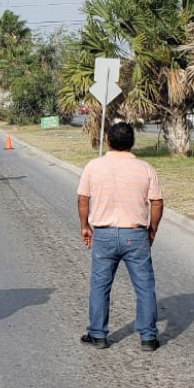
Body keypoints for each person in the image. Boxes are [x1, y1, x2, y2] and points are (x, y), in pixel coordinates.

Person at [77, 122, 164, 352]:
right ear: (132, 142)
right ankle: (147, 337)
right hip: (135, 234)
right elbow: (156, 202)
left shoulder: (93, 166)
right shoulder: (145, 168)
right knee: (144, 287)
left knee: (100, 285)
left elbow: (83, 199)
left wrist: (85, 226)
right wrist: (152, 228)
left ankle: (98, 334)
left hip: (104, 234)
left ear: (108, 141)